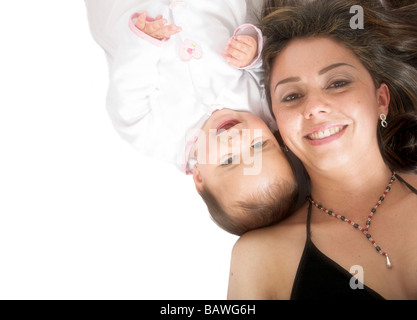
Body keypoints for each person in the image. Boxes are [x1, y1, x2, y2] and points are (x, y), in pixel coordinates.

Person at [228, 0, 417, 299]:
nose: (314, 107)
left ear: (381, 99)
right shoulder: (260, 258)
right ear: (277, 122)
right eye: (291, 96)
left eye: (338, 83)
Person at [85, 0, 304, 235]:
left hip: (134, 15)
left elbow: (126, 97)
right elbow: (270, 68)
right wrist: (252, 53)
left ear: (200, 176)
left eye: (228, 160)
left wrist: (144, 44)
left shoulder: (158, 140)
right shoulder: (264, 108)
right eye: (259, 144)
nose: (239, 139)